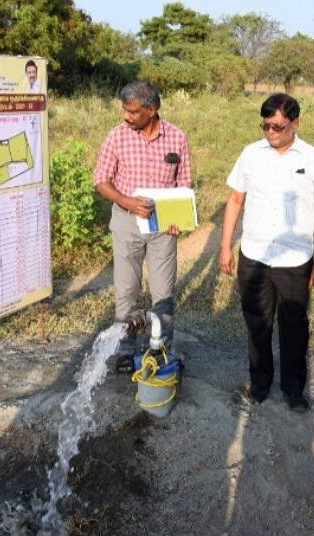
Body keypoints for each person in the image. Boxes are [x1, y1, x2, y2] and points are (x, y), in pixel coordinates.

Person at [219, 93, 314, 413]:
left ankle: (293, 390)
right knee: (257, 325)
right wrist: (225, 247)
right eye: (266, 126)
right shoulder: (250, 154)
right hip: (254, 256)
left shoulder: (313, 159)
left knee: (294, 328)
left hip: (295, 261)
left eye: (279, 126)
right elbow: (235, 201)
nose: (271, 132)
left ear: (295, 123)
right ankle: (259, 385)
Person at [94, 81, 192, 365]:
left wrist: (177, 217)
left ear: (152, 109)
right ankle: (126, 352)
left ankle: (161, 351)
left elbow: (183, 183)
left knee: (163, 295)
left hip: (162, 228)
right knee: (127, 291)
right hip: (126, 223)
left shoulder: (177, 138)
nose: (127, 116)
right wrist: (128, 202)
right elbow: (101, 181)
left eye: (134, 112)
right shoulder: (117, 137)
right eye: (125, 110)